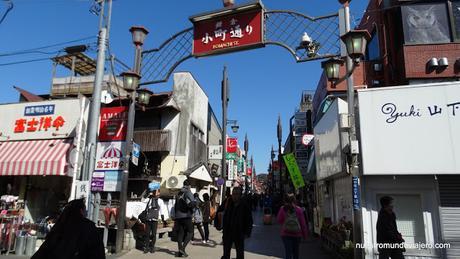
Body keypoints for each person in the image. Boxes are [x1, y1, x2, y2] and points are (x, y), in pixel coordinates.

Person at [32, 199, 105, 259]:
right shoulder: (89, 228)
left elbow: (43, 251)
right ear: (81, 211)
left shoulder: (59, 227)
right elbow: (98, 254)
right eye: (84, 210)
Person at [221, 187, 253, 259]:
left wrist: (248, 232)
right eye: (233, 194)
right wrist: (219, 225)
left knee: (240, 253)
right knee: (226, 253)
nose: (235, 196)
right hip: (227, 232)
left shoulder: (245, 205)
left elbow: (249, 220)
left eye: (237, 194)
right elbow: (219, 212)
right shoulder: (227, 202)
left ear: (240, 195)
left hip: (239, 232)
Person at [277, 193, 308, 259]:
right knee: (296, 253)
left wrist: (285, 222)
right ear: (294, 200)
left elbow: (279, 220)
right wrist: (305, 235)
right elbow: (303, 224)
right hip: (297, 234)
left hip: (285, 234)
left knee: (288, 253)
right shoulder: (299, 209)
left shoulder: (283, 209)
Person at [173, 179, 196, 257]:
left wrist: (175, 215)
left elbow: (175, 205)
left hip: (178, 216)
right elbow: (193, 203)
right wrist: (192, 210)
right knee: (190, 232)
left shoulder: (179, 193)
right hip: (186, 215)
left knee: (180, 233)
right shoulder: (188, 192)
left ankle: (180, 252)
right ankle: (182, 249)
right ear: (189, 185)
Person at [141, 185, 165, 254]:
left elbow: (162, 210)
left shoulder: (160, 201)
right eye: (155, 192)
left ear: (159, 193)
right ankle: (147, 247)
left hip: (155, 220)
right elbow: (142, 200)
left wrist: (162, 218)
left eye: (157, 192)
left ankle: (152, 247)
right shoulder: (149, 199)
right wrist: (147, 194)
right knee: (147, 234)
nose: (156, 193)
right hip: (148, 219)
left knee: (154, 234)